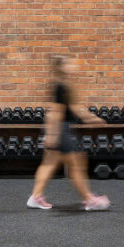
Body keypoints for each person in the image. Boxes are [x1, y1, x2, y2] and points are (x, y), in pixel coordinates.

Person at [27, 56, 110, 211]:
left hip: (60, 128)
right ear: (62, 67)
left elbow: (76, 107)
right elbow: (55, 112)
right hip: (60, 129)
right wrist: (52, 135)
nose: (73, 65)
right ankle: (89, 199)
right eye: (69, 63)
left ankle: (35, 197)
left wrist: (93, 119)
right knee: (76, 165)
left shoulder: (65, 85)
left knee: (49, 164)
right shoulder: (60, 86)